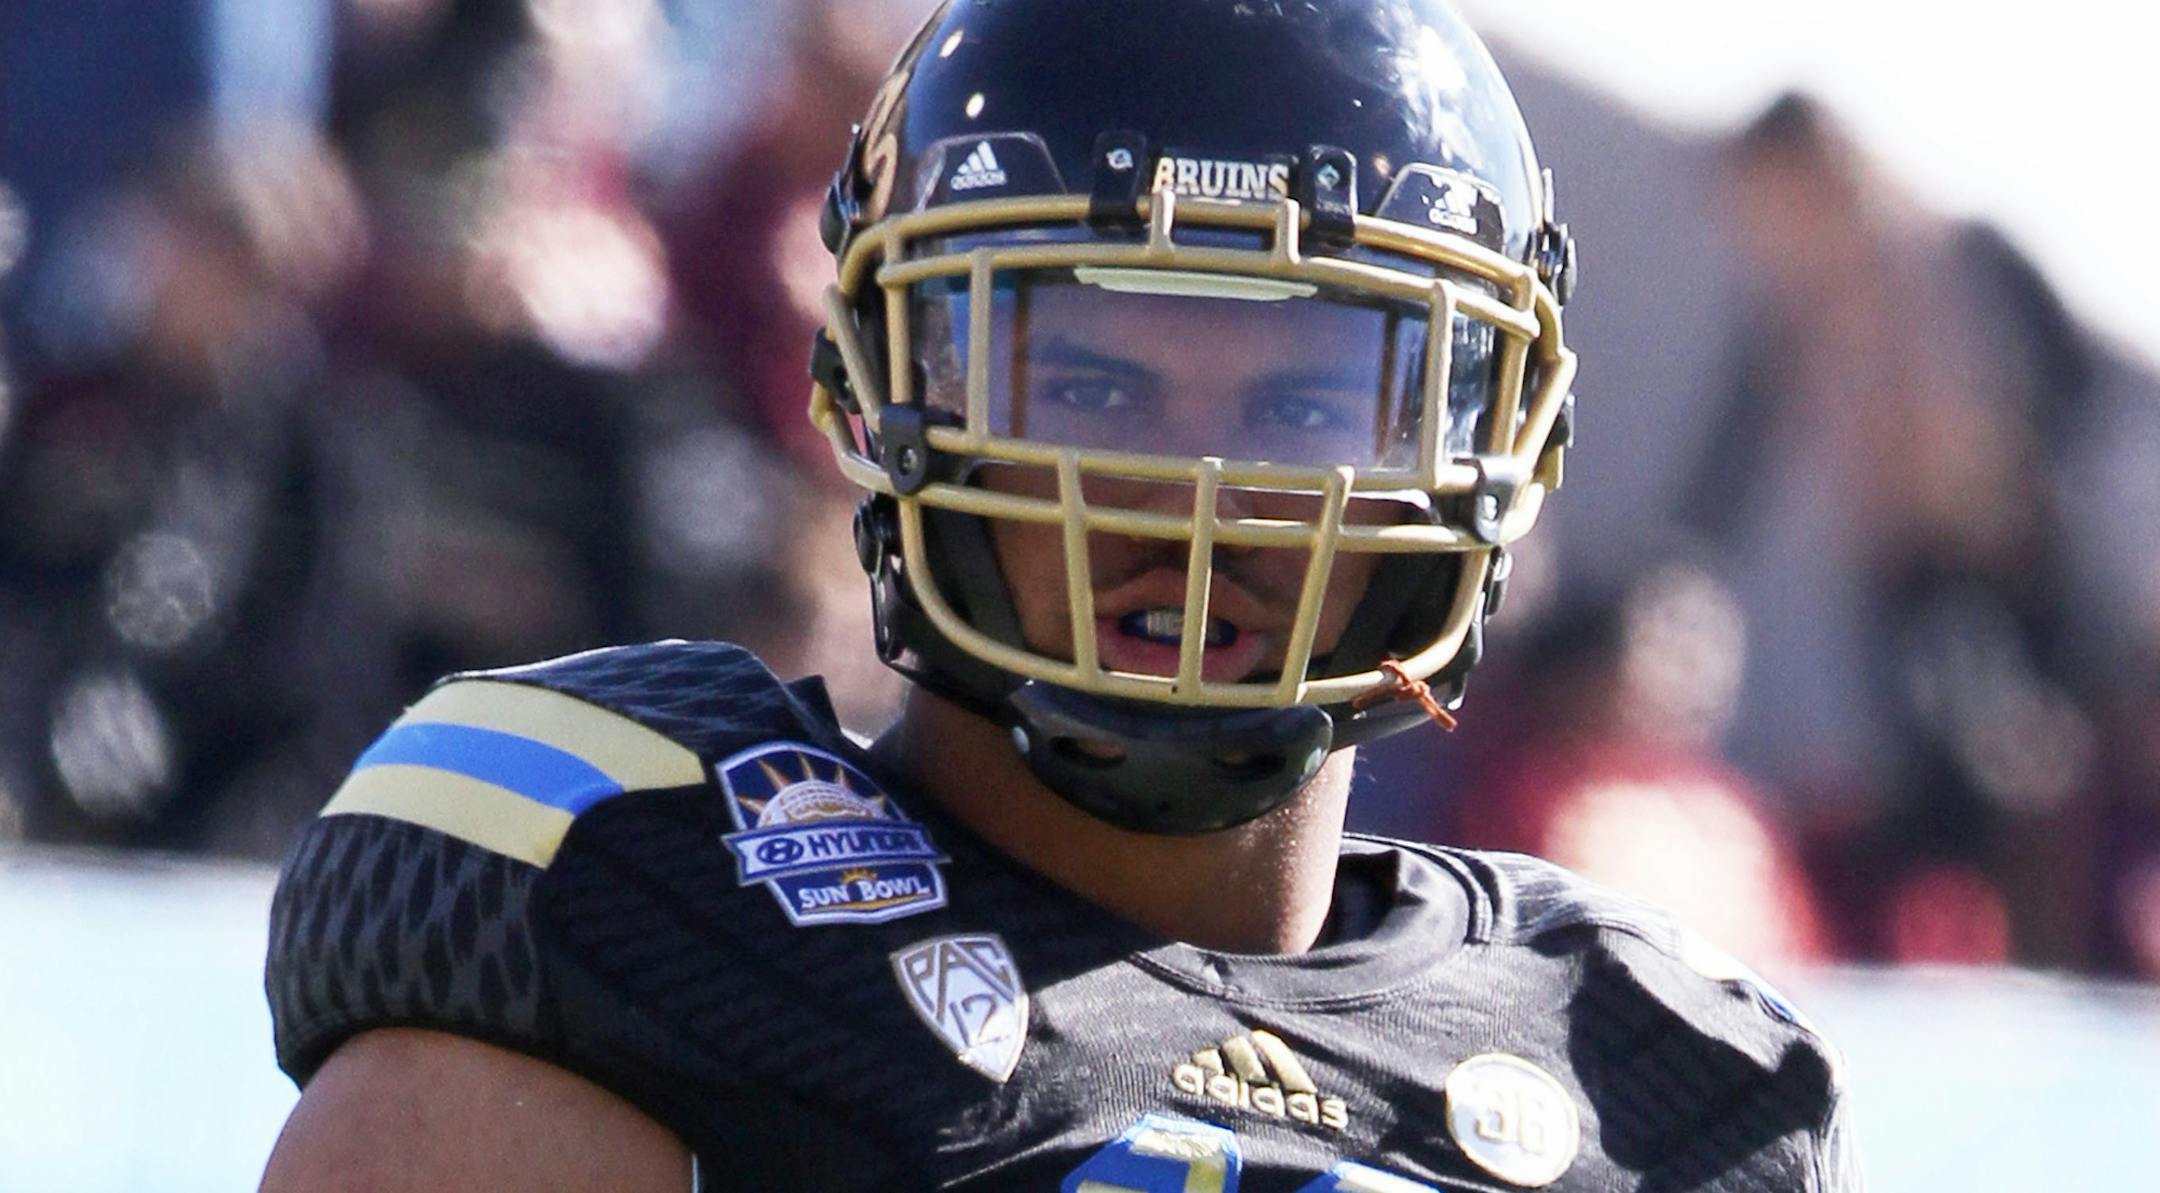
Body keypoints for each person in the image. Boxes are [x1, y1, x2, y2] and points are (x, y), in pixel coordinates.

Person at [259, 2, 1861, 1189]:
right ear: (878, 393)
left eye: (1301, 411)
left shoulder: (1656, 1074)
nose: (1196, 497)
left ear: (1500, 450)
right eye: (1092, 385)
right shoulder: (641, 891)